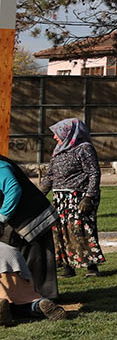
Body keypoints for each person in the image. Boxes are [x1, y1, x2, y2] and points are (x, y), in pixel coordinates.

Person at [0, 151, 61, 322]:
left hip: (30, 217)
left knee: (34, 256)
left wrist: (1, 218)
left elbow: (13, 189)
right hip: (19, 221)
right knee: (20, 259)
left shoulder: (0, 166)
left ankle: (34, 299)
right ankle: (40, 300)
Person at [46, 118, 103, 277]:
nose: (54, 137)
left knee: (80, 231)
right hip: (60, 198)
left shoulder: (84, 149)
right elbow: (50, 176)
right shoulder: (58, 150)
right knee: (60, 232)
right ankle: (67, 268)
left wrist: (89, 197)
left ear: (68, 133)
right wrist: (37, 194)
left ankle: (91, 267)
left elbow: (94, 173)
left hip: (78, 197)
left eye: (57, 134)